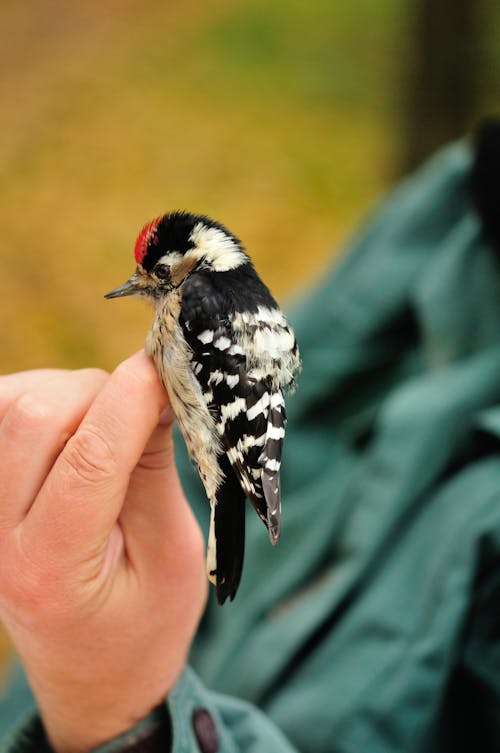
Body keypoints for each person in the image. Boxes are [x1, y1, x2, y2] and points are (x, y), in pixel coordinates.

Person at [1, 121, 500, 753]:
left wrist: (119, 713)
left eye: (158, 277)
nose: (148, 290)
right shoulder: (454, 209)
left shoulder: (204, 300)